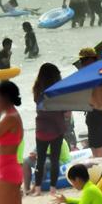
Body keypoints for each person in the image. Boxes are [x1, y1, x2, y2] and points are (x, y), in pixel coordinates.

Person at [31, 63, 65, 195]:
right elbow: (65, 111)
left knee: (40, 159)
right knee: (55, 159)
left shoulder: (37, 90)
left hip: (41, 128)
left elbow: (38, 104)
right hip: (57, 128)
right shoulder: (60, 90)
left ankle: (38, 188)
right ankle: (53, 189)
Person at [80, 47, 102, 158]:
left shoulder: (99, 72)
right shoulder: (88, 74)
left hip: (99, 110)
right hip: (91, 111)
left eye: (84, 60)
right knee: (93, 143)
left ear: (92, 59)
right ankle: (99, 165)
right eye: (82, 60)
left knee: (99, 143)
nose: (83, 62)